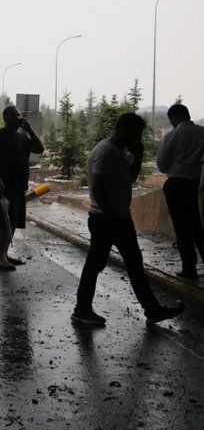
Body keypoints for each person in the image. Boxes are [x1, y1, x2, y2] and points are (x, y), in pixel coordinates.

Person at [73, 113, 185, 326]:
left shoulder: (117, 152)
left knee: (132, 264)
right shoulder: (106, 152)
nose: (139, 138)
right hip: (107, 220)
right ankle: (82, 309)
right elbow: (97, 187)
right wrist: (113, 217)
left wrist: (139, 155)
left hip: (115, 219)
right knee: (97, 265)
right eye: (137, 133)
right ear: (125, 130)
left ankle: (152, 309)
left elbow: (130, 178)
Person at [0, 105, 44, 270]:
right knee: (5, 221)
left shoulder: (22, 138)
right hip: (5, 186)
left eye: (18, 115)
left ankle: (4, 254)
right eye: (13, 115)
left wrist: (30, 130)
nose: (17, 117)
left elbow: (39, 149)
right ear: (5, 118)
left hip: (19, 186)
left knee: (14, 221)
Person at [156, 103, 204, 279]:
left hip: (176, 185)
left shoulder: (172, 136)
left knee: (182, 228)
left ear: (173, 118)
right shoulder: (202, 133)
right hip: (196, 185)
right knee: (198, 226)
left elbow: (162, 165)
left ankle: (189, 268)